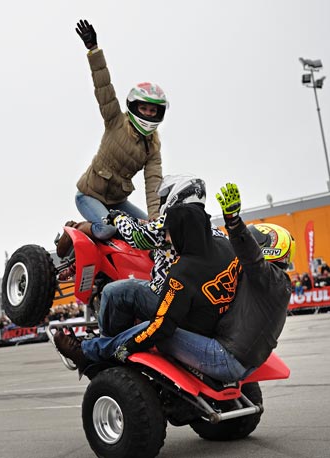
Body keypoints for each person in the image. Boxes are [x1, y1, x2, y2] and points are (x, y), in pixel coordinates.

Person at [54, 201, 241, 378]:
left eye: (169, 232)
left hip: (212, 346)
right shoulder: (223, 245)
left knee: (122, 299)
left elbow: (160, 327)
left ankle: (92, 355)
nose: (165, 238)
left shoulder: (182, 272)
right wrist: (233, 222)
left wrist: (121, 349)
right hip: (230, 337)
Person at [56, 19, 168, 257]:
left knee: (147, 231)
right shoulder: (116, 121)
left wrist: (156, 221)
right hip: (89, 195)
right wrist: (93, 50)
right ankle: (74, 229)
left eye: (153, 110)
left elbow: (153, 186)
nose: (148, 114)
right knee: (107, 228)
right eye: (144, 108)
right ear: (134, 107)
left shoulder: (153, 147)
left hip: (117, 202)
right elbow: (104, 88)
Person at [97, 174, 222, 337]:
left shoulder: (173, 222)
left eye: (164, 197)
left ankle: (105, 346)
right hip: (203, 302)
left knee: (113, 291)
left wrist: (117, 218)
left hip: (171, 298)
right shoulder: (211, 226)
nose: (162, 202)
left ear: (177, 195)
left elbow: (137, 237)